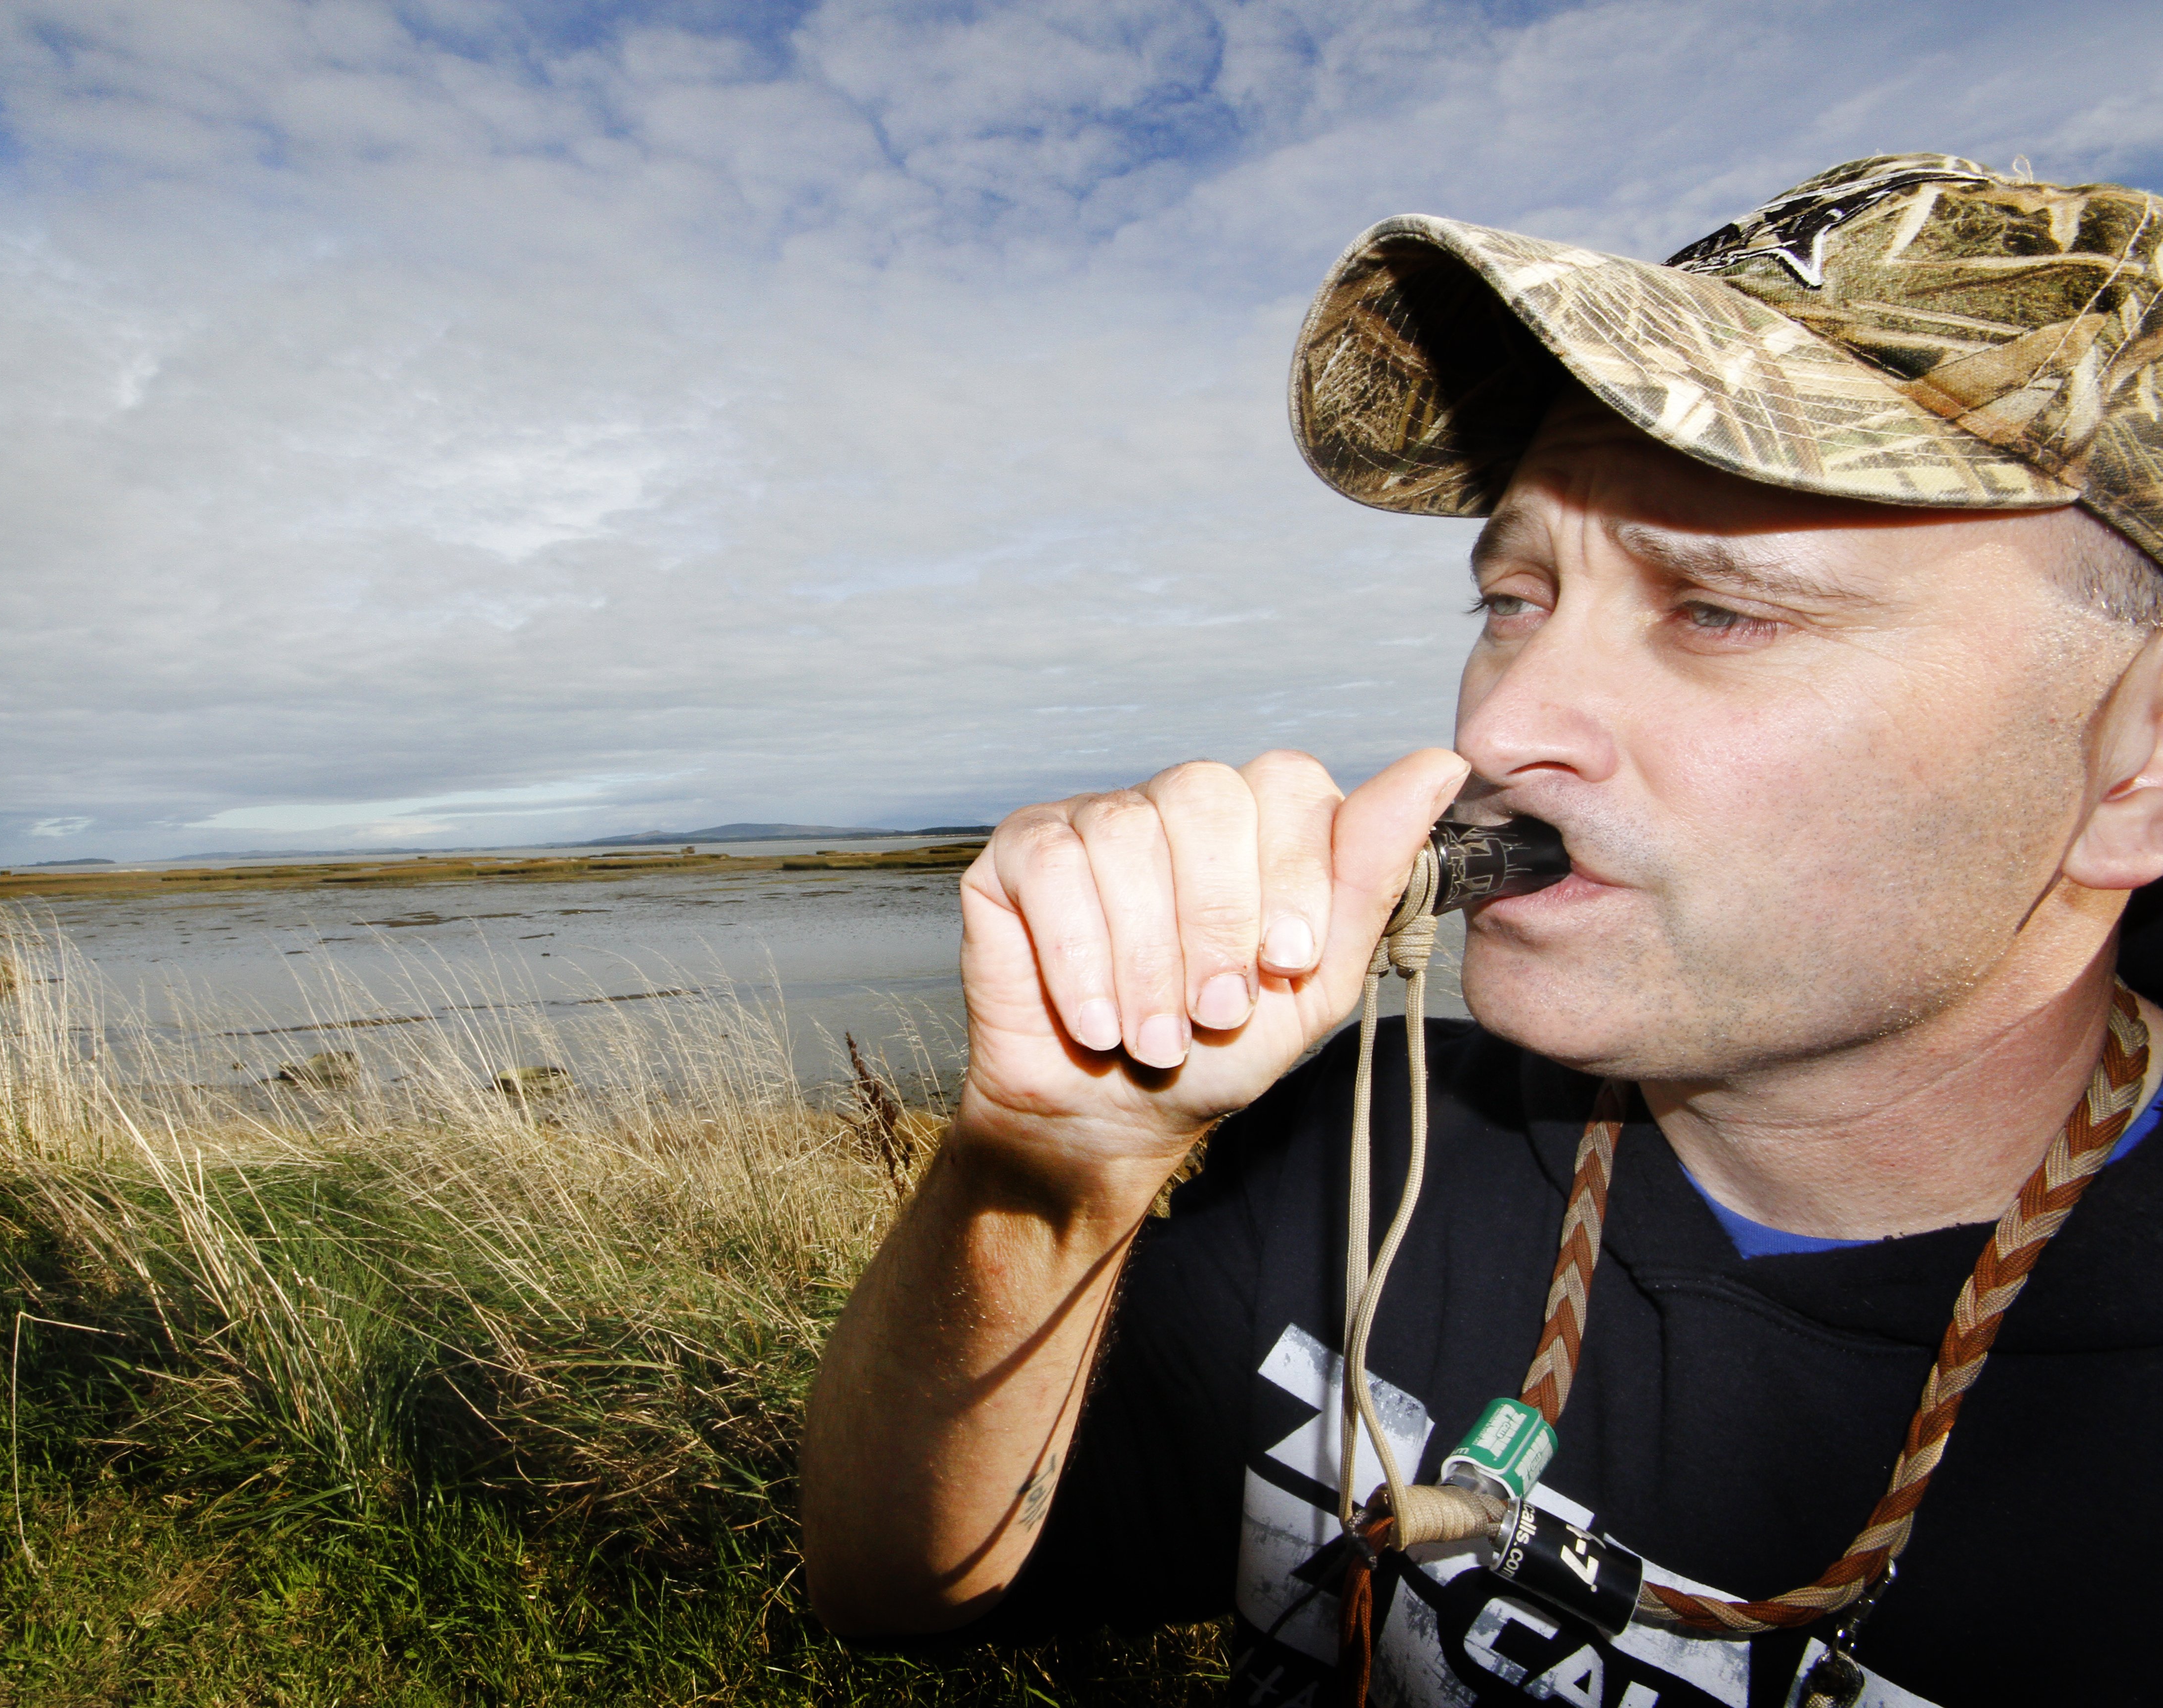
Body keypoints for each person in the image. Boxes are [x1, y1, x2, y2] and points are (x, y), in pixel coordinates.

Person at [798, 154, 2163, 1707]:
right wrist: (1047, 1171)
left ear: (2139, 767)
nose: (1504, 730)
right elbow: (898, 1586)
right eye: (1512, 600)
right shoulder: (1372, 1145)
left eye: (1717, 610)